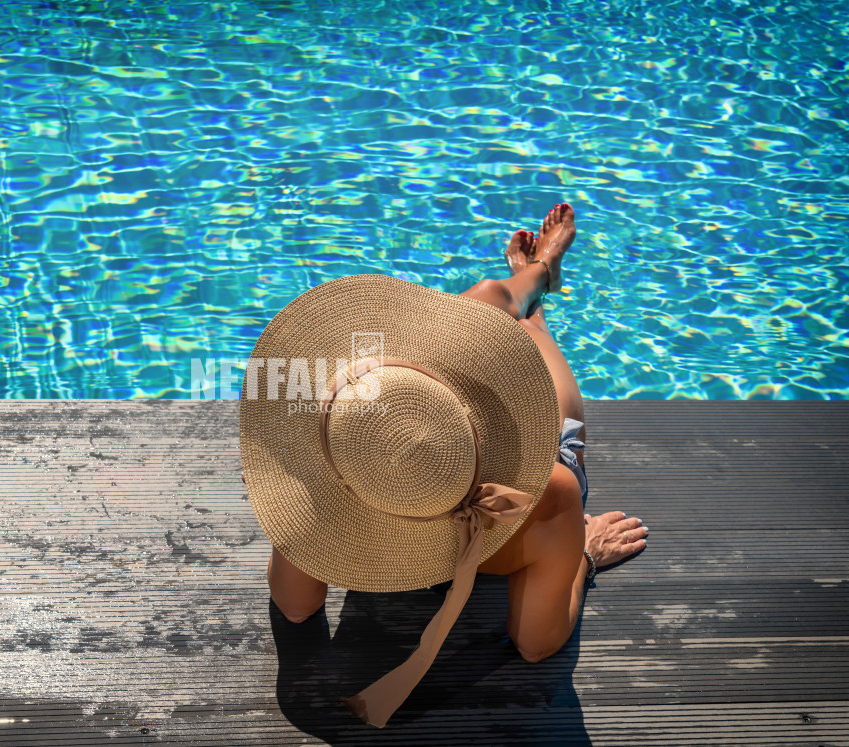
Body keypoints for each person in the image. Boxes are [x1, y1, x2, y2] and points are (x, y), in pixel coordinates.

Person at [240, 203, 647, 727]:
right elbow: (536, 644)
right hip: (517, 459)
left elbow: (296, 608)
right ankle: (536, 282)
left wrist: (296, 482)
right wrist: (582, 557)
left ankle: (538, 277)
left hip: (488, 453)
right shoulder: (549, 494)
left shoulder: (336, 478)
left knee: (495, 311)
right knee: (504, 317)